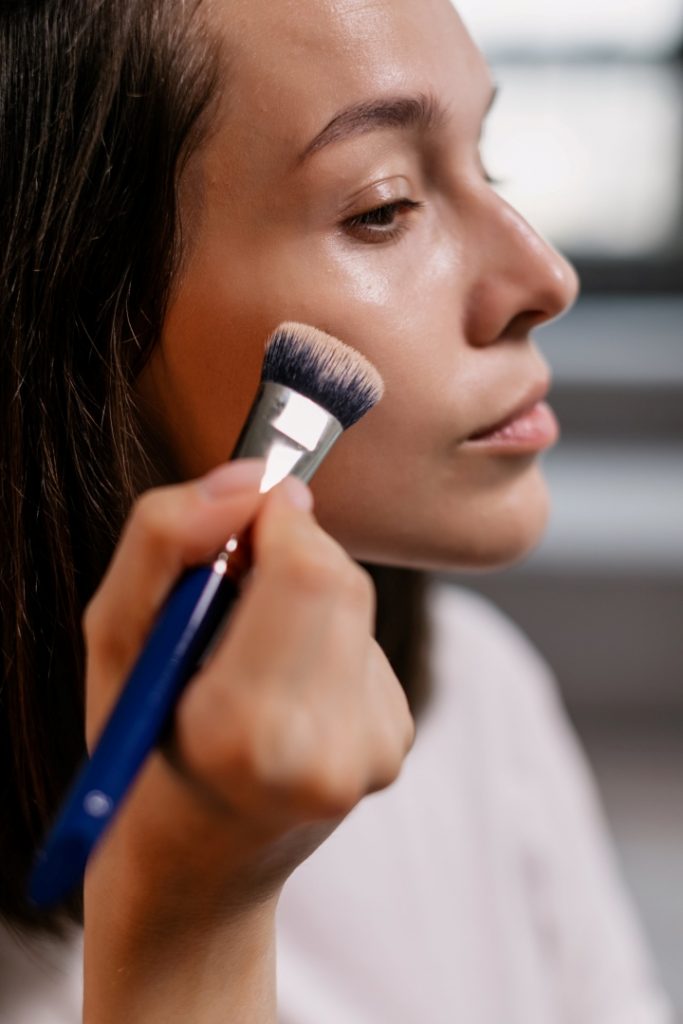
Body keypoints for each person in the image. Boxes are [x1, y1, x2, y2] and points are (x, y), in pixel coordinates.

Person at [0, 0, 673, 1021]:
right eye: (384, 205)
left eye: (487, 164)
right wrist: (186, 932)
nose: (545, 277)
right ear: (81, 312)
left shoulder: (470, 691)